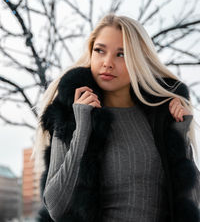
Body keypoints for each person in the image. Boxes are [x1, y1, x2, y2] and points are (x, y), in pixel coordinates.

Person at [32, 14, 200, 222]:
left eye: (121, 54)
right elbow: (56, 208)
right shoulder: (71, 114)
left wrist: (179, 135)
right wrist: (82, 129)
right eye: (100, 51)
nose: (107, 63)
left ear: (140, 60)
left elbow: (190, 204)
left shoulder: (160, 119)